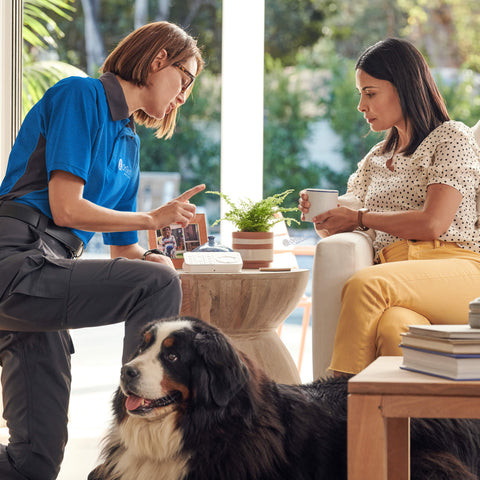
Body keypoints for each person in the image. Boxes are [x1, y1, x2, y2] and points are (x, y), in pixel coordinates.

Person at [0, 21, 205, 479]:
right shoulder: (82, 95)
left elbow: (123, 253)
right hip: (13, 260)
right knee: (157, 283)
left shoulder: (129, 145)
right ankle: (132, 431)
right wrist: (153, 220)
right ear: (157, 61)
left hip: (47, 282)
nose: (183, 97)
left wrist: (158, 256)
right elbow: (66, 207)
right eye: (185, 80)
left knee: (32, 464)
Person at [299, 37, 480, 377]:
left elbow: (433, 223)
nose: (361, 106)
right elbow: (338, 225)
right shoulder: (375, 159)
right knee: (395, 328)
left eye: (370, 93)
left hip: (457, 269)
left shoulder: (451, 138)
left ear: (405, 87)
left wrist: (359, 217)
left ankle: (334, 405)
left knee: (365, 285)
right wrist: (321, 215)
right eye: (360, 94)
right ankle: (421, 430)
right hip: (398, 275)